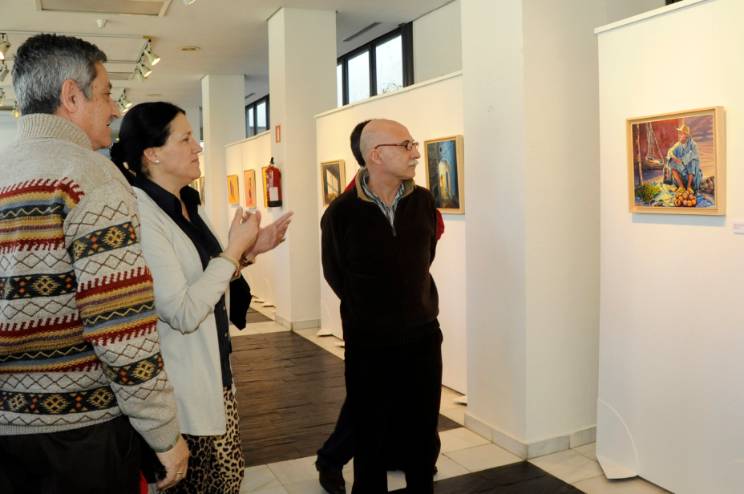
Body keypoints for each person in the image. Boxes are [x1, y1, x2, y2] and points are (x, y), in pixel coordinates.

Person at [0, 34, 188, 493]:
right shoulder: (91, 177)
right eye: (105, 93)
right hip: (80, 435)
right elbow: (120, 326)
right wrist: (163, 432)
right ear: (71, 96)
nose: (114, 109)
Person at [110, 102, 292, 494]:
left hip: (216, 373)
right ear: (152, 154)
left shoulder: (188, 202)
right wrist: (232, 251)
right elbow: (182, 311)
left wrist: (247, 252)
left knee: (227, 480)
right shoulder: (143, 214)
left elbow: (207, 280)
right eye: (186, 139)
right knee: (202, 485)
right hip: (182, 391)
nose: (198, 147)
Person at [316, 133, 446, 494]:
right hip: (369, 339)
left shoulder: (423, 200)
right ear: (376, 154)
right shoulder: (341, 212)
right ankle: (335, 465)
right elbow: (336, 273)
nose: (416, 153)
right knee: (368, 435)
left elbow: (424, 257)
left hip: (422, 335)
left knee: (422, 431)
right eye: (406, 145)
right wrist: (371, 310)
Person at [667, 123, 702, 192]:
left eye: (681, 133)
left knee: (692, 162)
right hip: (682, 168)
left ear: (686, 135)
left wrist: (683, 160)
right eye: (679, 133)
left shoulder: (693, 144)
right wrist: (674, 158)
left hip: (691, 169)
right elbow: (670, 151)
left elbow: (695, 155)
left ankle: (689, 186)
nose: (679, 135)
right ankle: (681, 186)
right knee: (671, 162)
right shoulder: (678, 144)